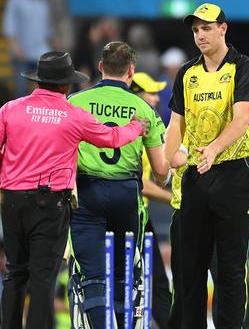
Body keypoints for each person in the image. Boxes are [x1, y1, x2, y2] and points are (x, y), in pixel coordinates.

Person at [0, 51, 147, 329]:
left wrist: (10, 169)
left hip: (12, 199)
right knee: (43, 277)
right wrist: (136, 127)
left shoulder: (11, 109)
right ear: (66, 85)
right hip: (51, 202)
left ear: (38, 82)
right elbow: (112, 138)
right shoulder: (73, 115)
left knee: (14, 273)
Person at [164, 3, 249, 328]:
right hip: (196, 176)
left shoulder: (244, 67)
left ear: (223, 29)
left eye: (206, 28)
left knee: (231, 271)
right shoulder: (187, 73)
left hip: (232, 175)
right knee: (190, 271)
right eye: (195, 29)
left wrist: (213, 149)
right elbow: (175, 125)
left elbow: (242, 120)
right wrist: (168, 158)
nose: (200, 35)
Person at [66, 43, 169, 328]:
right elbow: (161, 170)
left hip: (85, 193)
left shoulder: (75, 101)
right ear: (131, 72)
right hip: (126, 195)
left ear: (100, 67)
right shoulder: (144, 109)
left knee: (94, 277)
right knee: (125, 275)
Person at [131, 72, 174, 328]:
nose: (157, 99)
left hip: (140, 215)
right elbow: (139, 183)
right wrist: (173, 198)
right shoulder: (136, 127)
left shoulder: (147, 125)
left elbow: (159, 170)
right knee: (152, 284)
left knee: (156, 284)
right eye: (151, 93)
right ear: (136, 95)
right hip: (132, 217)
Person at [2, 0, 53, 98]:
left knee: (42, 91)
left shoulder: (44, 3)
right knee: (21, 90)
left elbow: (46, 28)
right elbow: (9, 25)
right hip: (21, 53)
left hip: (40, 54)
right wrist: (15, 46)